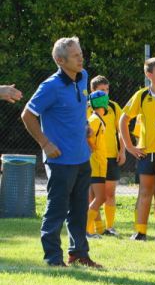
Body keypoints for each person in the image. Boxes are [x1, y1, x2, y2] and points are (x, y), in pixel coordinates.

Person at [21, 36, 102, 268]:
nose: (81, 59)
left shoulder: (83, 76)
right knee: (57, 210)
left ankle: (79, 254)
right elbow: (27, 115)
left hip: (81, 157)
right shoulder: (50, 87)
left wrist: (84, 125)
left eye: (81, 53)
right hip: (60, 161)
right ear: (60, 60)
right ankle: (53, 258)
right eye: (76, 56)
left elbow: (77, 108)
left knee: (79, 210)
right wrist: (45, 144)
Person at [120, 58, 155, 241]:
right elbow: (123, 119)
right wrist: (130, 146)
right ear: (149, 75)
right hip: (146, 153)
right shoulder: (141, 95)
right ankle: (140, 232)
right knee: (145, 192)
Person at [88, 76, 126, 236]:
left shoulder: (114, 107)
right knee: (93, 195)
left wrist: (122, 150)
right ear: (93, 91)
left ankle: (109, 228)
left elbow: (121, 130)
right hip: (95, 158)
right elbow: (86, 135)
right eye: (101, 90)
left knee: (109, 193)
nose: (105, 93)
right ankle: (92, 229)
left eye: (107, 90)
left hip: (111, 156)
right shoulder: (88, 110)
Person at [85, 90, 109, 238]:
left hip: (97, 163)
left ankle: (92, 230)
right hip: (96, 164)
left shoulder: (97, 118)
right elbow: (85, 133)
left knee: (94, 197)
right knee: (101, 198)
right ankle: (85, 230)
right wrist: (92, 147)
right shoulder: (95, 119)